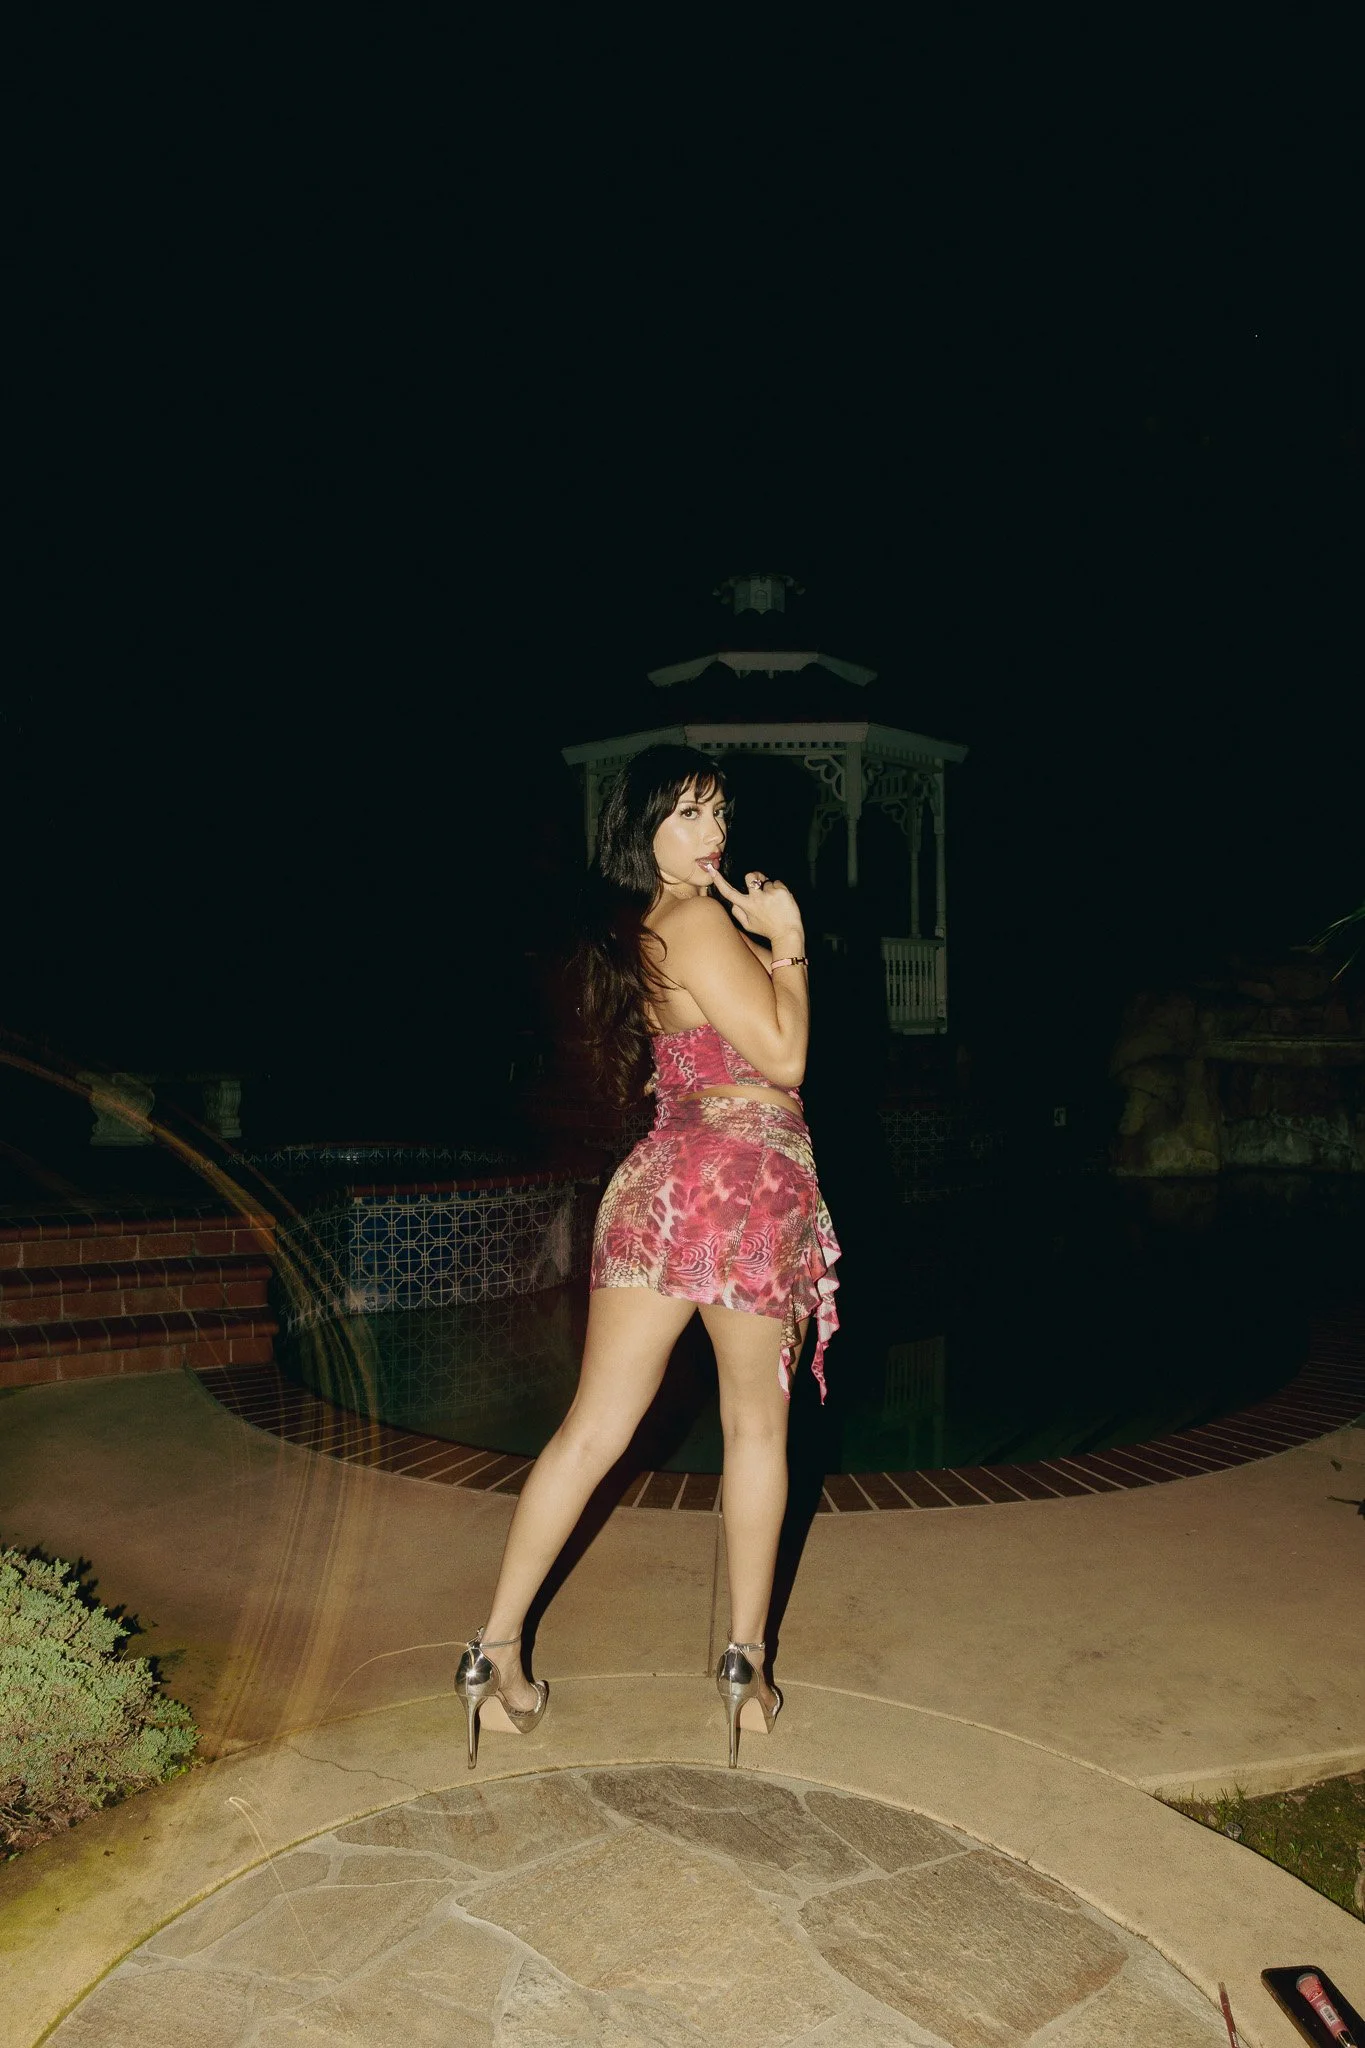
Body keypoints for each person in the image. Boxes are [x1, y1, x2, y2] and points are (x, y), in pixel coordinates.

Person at [456, 745, 840, 1768]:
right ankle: (745, 1666)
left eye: (717, 811)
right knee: (756, 1427)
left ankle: (492, 1656)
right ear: (643, 831)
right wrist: (792, 943)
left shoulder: (644, 928)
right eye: (685, 814)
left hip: (656, 1187)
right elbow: (788, 1058)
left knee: (588, 1433)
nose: (710, 832)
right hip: (744, 1182)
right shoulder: (704, 919)